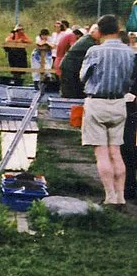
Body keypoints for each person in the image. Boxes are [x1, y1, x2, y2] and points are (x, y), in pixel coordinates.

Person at [79, 14, 136, 206]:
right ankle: (121, 197)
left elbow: (83, 76)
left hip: (97, 103)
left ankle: (110, 196)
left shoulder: (94, 51)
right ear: (118, 29)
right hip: (119, 104)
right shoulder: (130, 53)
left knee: (102, 153)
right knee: (116, 151)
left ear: (100, 31)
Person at [60, 24, 100, 99]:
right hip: (70, 69)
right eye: (100, 33)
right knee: (72, 93)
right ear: (93, 32)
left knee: (73, 92)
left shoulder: (88, 39)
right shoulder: (89, 42)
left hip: (71, 67)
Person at [53, 21, 78, 87]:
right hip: (64, 61)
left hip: (58, 60)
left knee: (62, 83)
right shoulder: (71, 35)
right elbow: (74, 48)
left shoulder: (65, 34)